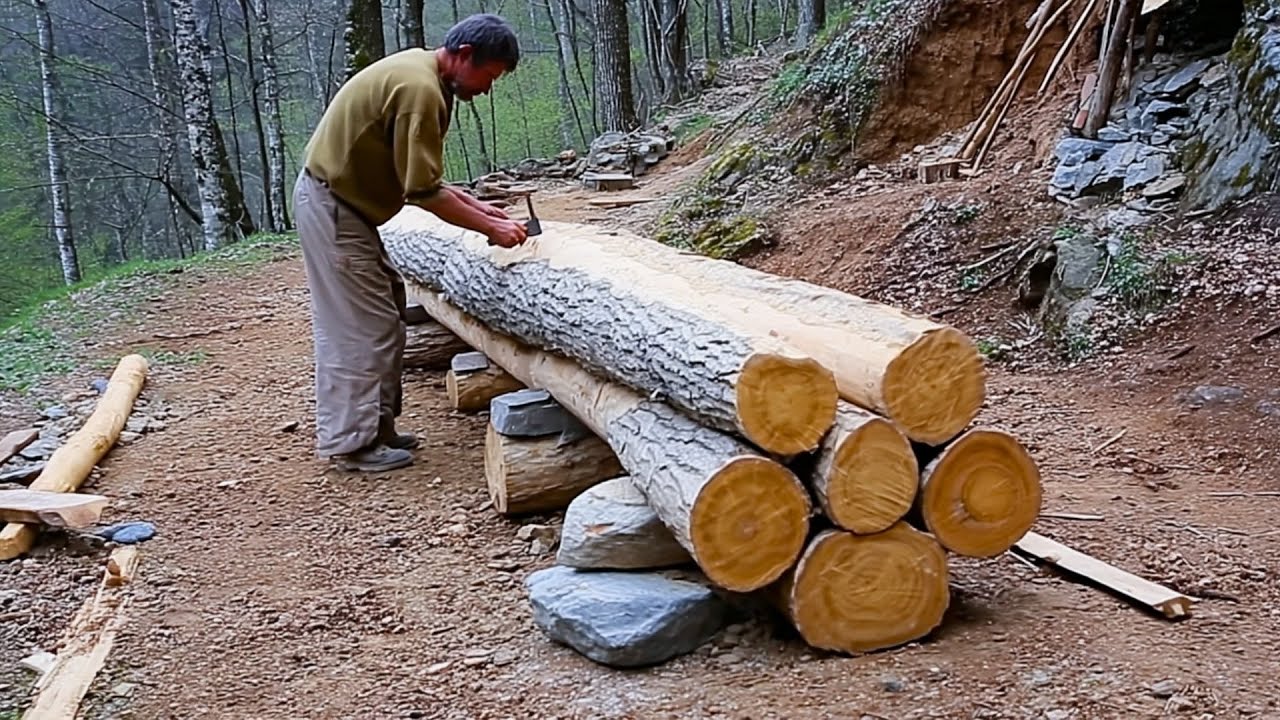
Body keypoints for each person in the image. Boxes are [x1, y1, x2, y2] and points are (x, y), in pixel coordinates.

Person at [293, 14, 528, 473]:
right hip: (333, 205)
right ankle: (353, 442)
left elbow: (424, 178)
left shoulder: (426, 75)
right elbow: (422, 193)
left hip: (345, 205)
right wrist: (491, 230)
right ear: (463, 56)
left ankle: (375, 428)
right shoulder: (420, 89)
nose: (488, 87)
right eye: (489, 75)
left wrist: (483, 209)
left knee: (385, 312)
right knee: (362, 326)